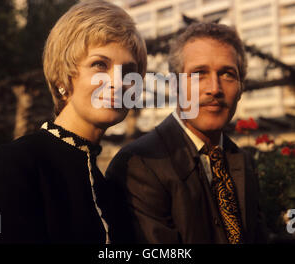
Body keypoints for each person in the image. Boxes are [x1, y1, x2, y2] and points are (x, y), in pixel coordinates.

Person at [0, 0, 147, 244]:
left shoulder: (111, 191)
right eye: (100, 64)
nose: (118, 83)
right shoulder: (14, 165)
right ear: (63, 77)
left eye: (129, 72)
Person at [106, 22, 268, 244]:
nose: (215, 88)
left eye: (227, 74)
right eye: (199, 73)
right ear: (174, 86)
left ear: (240, 87)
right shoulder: (138, 166)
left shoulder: (242, 161)